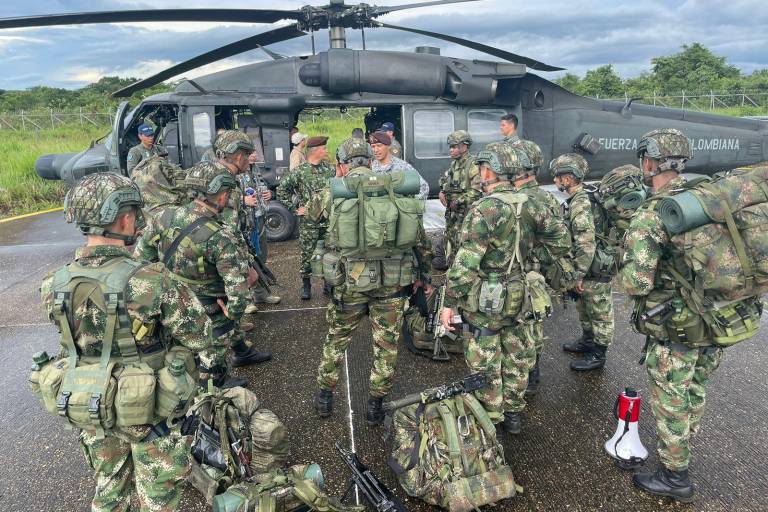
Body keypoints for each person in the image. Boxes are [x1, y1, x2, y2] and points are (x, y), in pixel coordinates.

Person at [39, 173, 213, 511]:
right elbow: (200, 334)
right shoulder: (150, 278)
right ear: (124, 217)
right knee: (159, 499)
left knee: (108, 491)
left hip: (91, 406)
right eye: (134, 212)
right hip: (149, 410)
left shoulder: (53, 283)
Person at [620, 128, 725, 502]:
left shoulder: (655, 212)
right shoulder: (707, 199)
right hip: (717, 318)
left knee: (671, 399)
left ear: (649, 162)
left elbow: (635, 282)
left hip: (677, 325)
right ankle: (683, 448)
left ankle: (675, 476)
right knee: (694, 387)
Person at [440, 143, 570, 434]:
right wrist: (531, 264)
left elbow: (465, 265)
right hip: (521, 293)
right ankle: (513, 414)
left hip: (486, 298)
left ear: (489, 170)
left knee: (485, 354)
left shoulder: (485, 209)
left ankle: (491, 419)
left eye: (482, 169)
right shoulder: (535, 202)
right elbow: (561, 242)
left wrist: (448, 302)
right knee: (517, 354)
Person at [310, 137, 432, 425]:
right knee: (386, 348)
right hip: (391, 285)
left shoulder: (334, 191)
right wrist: (423, 274)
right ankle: (375, 406)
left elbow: (312, 217)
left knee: (336, 341)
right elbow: (420, 239)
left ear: (342, 164)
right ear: (369, 160)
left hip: (349, 285)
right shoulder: (393, 189)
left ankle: (324, 398)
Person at [135, 162, 272, 389]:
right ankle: (215, 383)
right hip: (211, 306)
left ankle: (234, 357)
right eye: (227, 193)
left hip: (174, 301)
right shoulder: (220, 236)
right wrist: (233, 314)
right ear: (220, 195)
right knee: (212, 353)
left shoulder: (165, 217)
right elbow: (238, 290)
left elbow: (142, 257)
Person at [507, 138, 563, 393]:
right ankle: (532, 372)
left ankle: (522, 378)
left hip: (520, 273)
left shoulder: (517, 199)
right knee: (534, 322)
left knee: (518, 327)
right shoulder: (548, 198)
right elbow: (561, 240)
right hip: (539, 274)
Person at [551, 153, 615, 371]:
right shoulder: (583, 196)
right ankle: (588, 341)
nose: (555, 181)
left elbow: (585, 241)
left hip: (593, 267)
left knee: (599, 311)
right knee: (585, 307)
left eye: (558, 177)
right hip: (588, 264)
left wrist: (578, 274)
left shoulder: (580, 203)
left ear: (568, 178)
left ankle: (599, 354)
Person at [213, 130, 281, 307]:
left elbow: (261, 189)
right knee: (243, 262)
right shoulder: (226, 175)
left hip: (257, 220)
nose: (252, 156)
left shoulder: (255, 171)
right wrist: (243, 199)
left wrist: (268, 194)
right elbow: (220, 198)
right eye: (248, 154)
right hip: (241, 225)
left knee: (259, 258)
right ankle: (246, 299)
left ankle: (260, 294)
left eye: (253, 153)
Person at [277, 135, 336, 300]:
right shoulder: (300, 172)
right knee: (307, 254)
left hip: (328, 221)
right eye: (324, 148)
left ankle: (328, 284)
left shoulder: (329, 170)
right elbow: (282, 190)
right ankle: (306, 286)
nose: (326, 151)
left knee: (329, 252)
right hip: (309, 222)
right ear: (315, 151)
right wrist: (295, 208)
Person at [438, 130, 481, 268]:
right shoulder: (454, 165)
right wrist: (442, 192)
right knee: (451, 239)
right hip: (453, 214)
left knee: (465, 242)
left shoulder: (472, 164)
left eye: (454, 147)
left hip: (466, 214)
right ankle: (452, 266)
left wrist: (459, 201)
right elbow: (445, 181)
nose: (451, 150)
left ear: (464, 146)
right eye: (450, 147)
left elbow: (476, 190)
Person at [370, 131, 429, 200]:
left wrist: (407, 205)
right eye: (373, 147)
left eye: (379, 146)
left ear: (388, 146)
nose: (375, 150)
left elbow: (424, 187)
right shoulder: (370, 168)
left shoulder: (402, 166)